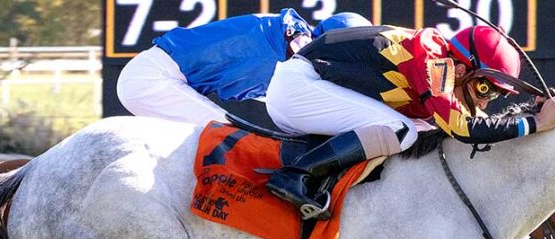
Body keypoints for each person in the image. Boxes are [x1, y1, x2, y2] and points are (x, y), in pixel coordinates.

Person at [264, 25, 555, 219]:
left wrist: (530, 119)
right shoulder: (434, 63)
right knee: (402, 131)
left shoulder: (443, 66)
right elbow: (463, 128)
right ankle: (295, 176)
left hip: (308, 92)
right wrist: (535, 124)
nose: (484, 102)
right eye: (484, 89)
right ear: (462, 70)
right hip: (297, 91)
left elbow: (476, 124)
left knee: (420, 129)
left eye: (494, 95)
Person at [118, 10, 369, 125]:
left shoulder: (287, 33)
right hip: (153, 80)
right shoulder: (289, 47)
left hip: (154, 75)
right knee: (229, 135)